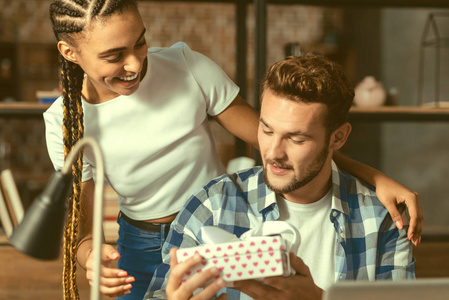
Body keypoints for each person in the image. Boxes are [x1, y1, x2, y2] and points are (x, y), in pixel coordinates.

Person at [44, 1, 421, 299]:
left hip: (218, 223)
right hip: (138, 242)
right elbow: (84, 224)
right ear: (69, 51)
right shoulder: (64, 122)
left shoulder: (185, 67)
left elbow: (282, 142)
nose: (135, 63)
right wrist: (90, 255)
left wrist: (373, 178)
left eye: (140, 41)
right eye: (114, 55)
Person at [145, 53, 416, 300]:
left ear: (338, 137)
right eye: (266, 130)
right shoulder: (212, 205)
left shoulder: (381, 220)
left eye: (296, 139)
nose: (273, 153)